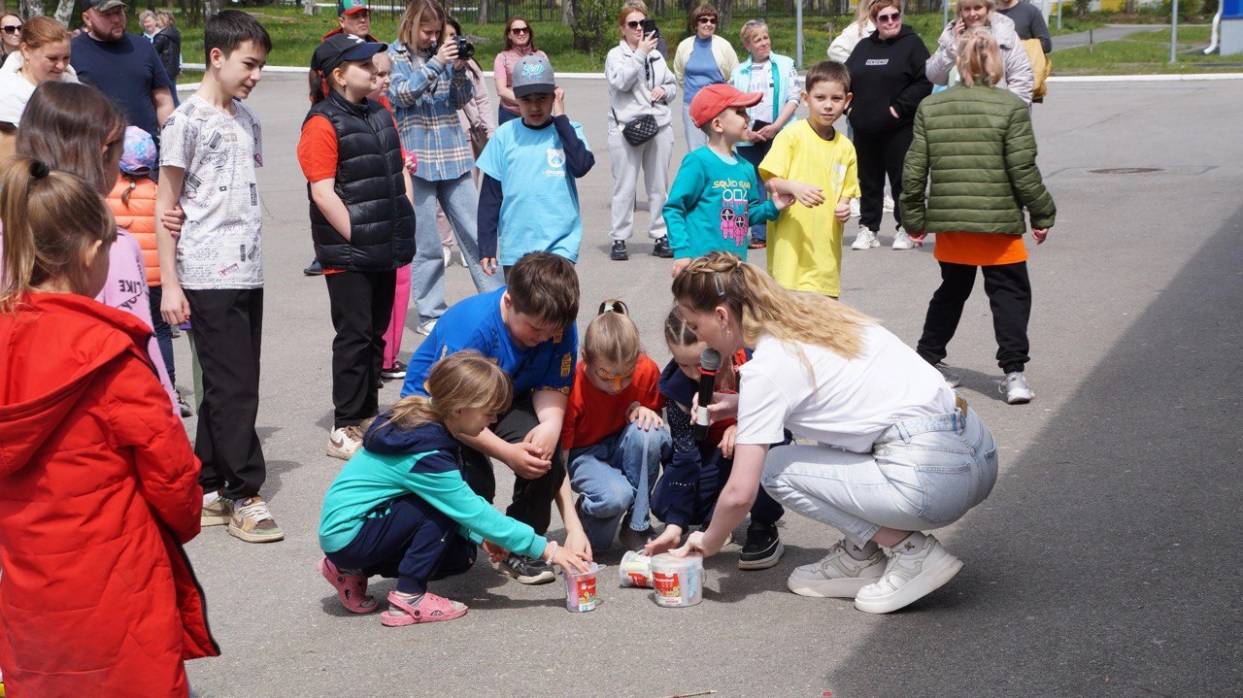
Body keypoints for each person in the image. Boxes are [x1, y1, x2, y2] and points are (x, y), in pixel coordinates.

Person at [670, 253, 999, 614]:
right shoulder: (814, 315)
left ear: (721, 315)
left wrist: (709, 540)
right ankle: (861, 557)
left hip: (932, 479)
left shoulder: (766, 368)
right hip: (977, 451)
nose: (698, 337)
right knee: (837, 434)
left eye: (695, 325)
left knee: (774, 468)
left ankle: (913, 552)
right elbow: (837, 396)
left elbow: (739, 494)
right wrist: (741, 405)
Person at [0, 156, 218, 695]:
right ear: (90, 252)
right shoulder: (108, 354)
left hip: (27, 579)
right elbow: (170, 473)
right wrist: (186, 517)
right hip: (116, 573)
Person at [319, 351, 592, 626]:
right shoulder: (427, 452)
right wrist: (549, 550)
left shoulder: (423, 419)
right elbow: (471, 510)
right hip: (350, 534)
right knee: (437, 511)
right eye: (489, 412)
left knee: (458, 556)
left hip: (345, 531)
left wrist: (478, 536)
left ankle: (348, 569)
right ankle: (409, 598)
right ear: (461, 410)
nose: (494, 420)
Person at [157, 11, 282, 543]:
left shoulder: (245, 119)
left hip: (247, 271)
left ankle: (207, 482)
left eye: (260, 66)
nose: (255, 75)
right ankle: (242, 492)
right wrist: (170, 283)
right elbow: (166, 207)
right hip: (206, 272)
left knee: (228, 384)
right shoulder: (186, 122)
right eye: (248, 64)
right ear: (217, 56)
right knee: (235, 387)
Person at [399, 252, 591, 584]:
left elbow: (553, 385)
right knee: (475, 484)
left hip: (500, 397)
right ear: (509, 300)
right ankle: (441, 544)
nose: (544, 338)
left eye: (552, 331)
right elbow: (450, 411)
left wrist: (550, 426)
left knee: (539, 451)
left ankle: (520, 544)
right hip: (441, 409)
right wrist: (506, 452)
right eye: (535, 328)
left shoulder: (556, 325)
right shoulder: (473, 327)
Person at [901, 27, 1056, 405]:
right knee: (1010, 295)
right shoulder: (1011, 107)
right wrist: (1041, 213)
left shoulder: (931, 107)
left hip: (952, 223)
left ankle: (928, 357)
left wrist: (914, 219)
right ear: (996, 65)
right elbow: (1023, 170)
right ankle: (1014, 373)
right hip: (998, 224)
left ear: (958, 62)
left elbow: (914, 169)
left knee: (951, 292)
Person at [16, 82, 177, 417]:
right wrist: (169, 415)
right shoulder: (109, 245)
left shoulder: (10, 228)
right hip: (96, 426)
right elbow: (139, 349)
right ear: (105, 154)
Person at [299, 35, 417, 459]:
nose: (375, 71)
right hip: (350, 253)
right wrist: (357, 234)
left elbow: (397, 167)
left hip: (384, 245)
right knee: (353, 335)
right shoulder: (321, 123)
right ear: (338, 75)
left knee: (374, 334)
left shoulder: (380, 112)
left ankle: (367, 413)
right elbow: (323, 193)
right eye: (364, 65)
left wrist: (403, 210)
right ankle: (345, 424)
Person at [388, 0, 500, 337]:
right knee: (427, 243)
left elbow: (459, 100)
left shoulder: (445, 55)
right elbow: (402, 95)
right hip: (418, 159)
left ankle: (497, 300)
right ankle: (431, 312)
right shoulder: (394, 56)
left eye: (437, 33)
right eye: (427, 31)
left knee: (477, 232)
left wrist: (459, 70)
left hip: (453, 154)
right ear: (410, 25)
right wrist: (437, 64)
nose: (433, 38)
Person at [645, 309, 786, 569]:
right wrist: (675, 524)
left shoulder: (754, 359)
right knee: (665, 502)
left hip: (763, 442)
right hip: (716, 454)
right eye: (682, 364)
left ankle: (763, 525)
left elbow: (785, 413)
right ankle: (714, 518)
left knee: (770, 455)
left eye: (700, 363)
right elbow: (685, 455)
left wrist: (745, 426)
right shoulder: (678, 389)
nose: (693, 374)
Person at [561, 300, 670, 551]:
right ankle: (590, 511)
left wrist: (648, 411)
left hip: (624, 444)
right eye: (606, 375)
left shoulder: (647, 370)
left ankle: (637, 525)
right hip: (585, 455)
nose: (617, 386)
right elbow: (561, 463)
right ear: (586, 359)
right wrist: (571, 525)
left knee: (649, 432)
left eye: (626, 375)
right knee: (608, 516)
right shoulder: (572, 386)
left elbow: (657, 419)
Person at [477, 55, 594, 276]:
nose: (534, 107)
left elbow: (581, 166)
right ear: (516, 100)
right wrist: (486, 245)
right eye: (526, 100)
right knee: (522, 310)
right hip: (517, 247)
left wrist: (561, 119)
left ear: (555, 95)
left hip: (560, 245)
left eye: (541, 98)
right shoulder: (504, 136)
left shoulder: (570, 131)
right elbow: (490, 197)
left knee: (556, 308)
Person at [107, 125, 195, 417]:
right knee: (160, 333)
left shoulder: (107, 193)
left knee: (124, 334)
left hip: (123, 281)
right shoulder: (159, 193)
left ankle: (132, 388)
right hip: (158, 279)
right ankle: (168, 388)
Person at [759, 61, 860, 298]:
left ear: (847, 101)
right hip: (790, 257)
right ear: (806, 98)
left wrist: (844, 205)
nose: (828, 105)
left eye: (836, 99)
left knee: (823, 329)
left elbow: (848, 189)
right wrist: (794, 187)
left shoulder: (846, 147)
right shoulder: (791, 136)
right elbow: (770, 180)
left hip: (825, 259)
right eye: (820, 97)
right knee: (790, 328)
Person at [665, 83, 790, 273]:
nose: (747, 118)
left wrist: (772, 206)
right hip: (703, 266)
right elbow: (674, 208)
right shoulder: (698, 161)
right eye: (740, 112)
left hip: (735, 265)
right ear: (717, 124)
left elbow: (748, 213)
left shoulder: (746, 167)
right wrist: (682, 252)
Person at [844, 0, 932, 252]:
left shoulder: (912, 44)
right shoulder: (863, 47)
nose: (891, 21)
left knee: (902, 181)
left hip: (899, 129)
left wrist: (899, 107)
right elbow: (845, 79)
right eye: (884, 18)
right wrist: (849, 109)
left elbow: (924, 81)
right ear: (874, 21)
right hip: (865, 129)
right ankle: (868, 228)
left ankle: (905, 227)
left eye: (895, 16)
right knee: (868, 182)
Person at [605, 2, 678, 262]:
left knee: (659, 185)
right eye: (632, 24)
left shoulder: (656, 54)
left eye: (642, 23)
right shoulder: (616, 55)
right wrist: (639, 54)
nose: (638, 29)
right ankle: (620, 238)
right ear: (622, 29)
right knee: (625, 186)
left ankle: (660, 234)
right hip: (627, 127)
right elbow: (621, 82)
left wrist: (665, 91)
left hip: (658, 124)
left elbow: (672, 85)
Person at [731, 19, 799, 249]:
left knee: (777, 180)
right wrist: (746, 132)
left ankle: (781, 228)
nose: (763, 43)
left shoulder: (784, 64)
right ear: (747, 45)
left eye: (765, 37)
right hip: (749, 133)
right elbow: (734, 104)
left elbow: (793, 98)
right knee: (753, 182)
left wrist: (777, 126)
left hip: (778, 129)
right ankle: (759, 234)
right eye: (757, 39)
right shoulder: (738, 71)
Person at [71, 0, 175, 144]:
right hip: (96, 155)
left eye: (119, 12)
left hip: (147, 156)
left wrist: (170, 144)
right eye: (107, 14)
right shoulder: (72, 53)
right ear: (87, 18)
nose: (116, 19)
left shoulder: (143, 47)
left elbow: (163, 101)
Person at [926, 0, 1033, 105]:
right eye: (967, 9)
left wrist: (1006, 113)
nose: (972, 14)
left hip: (995, 114)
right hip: (957, 113)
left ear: (988, 9)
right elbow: (934, 76)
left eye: (977, 8)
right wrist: (954, 45)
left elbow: (1021, 81)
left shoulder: (1004, 34)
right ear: (960, 12)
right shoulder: (952, 35)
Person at [0, 15, 77, 150]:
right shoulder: (6, 97)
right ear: (26, 50)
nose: (61, 66)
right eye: (52, 58)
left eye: (66, 58)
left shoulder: (72, 83)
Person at [672, 3, 738, 151]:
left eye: (712, 20)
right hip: (692, 106)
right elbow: (680, 74)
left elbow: (735, 74)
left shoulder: (724, 46)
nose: (708, 24)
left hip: (719, 107)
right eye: (704, 20)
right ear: (696, 23)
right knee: (696, 150)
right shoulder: (684, 46)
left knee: (720, 149)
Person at [492, 16, 545, 126]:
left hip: (538, 112)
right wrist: (527, 102)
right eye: (516, 31)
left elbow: (548, 84)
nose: (521, 33)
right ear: (509, 35)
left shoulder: (541, 56)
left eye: (525, 30)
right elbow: (501, 90)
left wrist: (537, 104)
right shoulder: (502, 58)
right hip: (510, 114)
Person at [996, 0, 1052, 102]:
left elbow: (1046, 45)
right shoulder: (986, 12)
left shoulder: (1030, 11)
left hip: (1021, 81)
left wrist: (1017, 47)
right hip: (994, 82)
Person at [152, 10, 182, 84]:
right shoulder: (175, 33)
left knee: (165, 92)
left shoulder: (161, 36)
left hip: (163, 69)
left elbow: (153, 53)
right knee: (172, 92)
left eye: (158, 20)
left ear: (164, 21)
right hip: (173, 68)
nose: (156, 22)